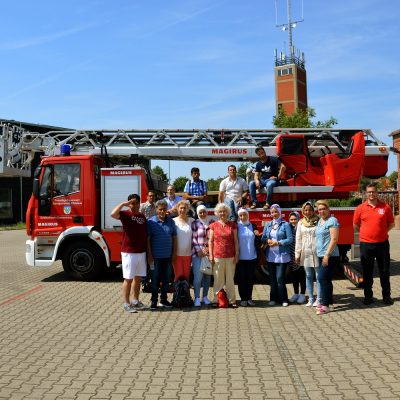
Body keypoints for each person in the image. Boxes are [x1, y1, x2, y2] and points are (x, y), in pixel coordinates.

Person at [353, 183, 395, 305]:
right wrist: (365, 233)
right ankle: (368, 296)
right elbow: (356, 225)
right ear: (366, 193)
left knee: (385, 271)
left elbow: (391, 224)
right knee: (367, 272)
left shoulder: (385, 207)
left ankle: (386, 296)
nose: (371, 194)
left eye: (373, 192)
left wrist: (382, 232)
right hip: (366, 245)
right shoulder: (360, 208)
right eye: (369, 192)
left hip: (382, 244)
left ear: (377, 193)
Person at [110, 194, 147, 313]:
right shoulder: (125, 214)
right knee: (128, 279)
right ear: (129, 204)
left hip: (141, 252)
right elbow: (112, 214)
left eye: (137, 203)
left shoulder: (142, 216)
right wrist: (123, 205)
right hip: (129, 252)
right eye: (132, 203)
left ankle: (135, 301)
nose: (135, 205)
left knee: (138, 278)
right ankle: (126, 303)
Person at [147, 199, 177, 310]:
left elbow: (174, 238)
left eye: (164, 209)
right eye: (160, 209)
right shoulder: (151, 222)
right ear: (156, 210)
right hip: (155, 258)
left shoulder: (171, 221)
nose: (162, 211)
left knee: (166, 280)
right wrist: (149, 255)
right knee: (154, 281)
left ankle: (163, 300)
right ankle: (154, 301)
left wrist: (174, 253)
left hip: (168, 257)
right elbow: (148, 239)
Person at [261, 204, 293, 307]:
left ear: (280, 212)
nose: (274, 214)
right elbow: (263, 238)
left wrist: (278, 243)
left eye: (276, 212)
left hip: (282, 255)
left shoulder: (285, 224)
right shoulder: (268, 224)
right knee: (272, 279)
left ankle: (284, 299)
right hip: (271, 255)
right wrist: (267, 240)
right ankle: (273, 299)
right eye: (272, 212)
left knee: (280, 278)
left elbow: (290, 239)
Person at [209, 203, 239, 308]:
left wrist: (237, 254)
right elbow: (210, 241)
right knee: (218, 280)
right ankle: (216, 299)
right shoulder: (213, 225)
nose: (222, 213)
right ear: (217, 213)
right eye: (220, 211)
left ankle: (232, 300)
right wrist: (211, 255)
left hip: (230, 256)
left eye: (224, 211)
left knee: (230, 280)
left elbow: (236, 241)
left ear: (228, 213)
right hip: (217, 256)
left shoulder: (233, 225)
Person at [315, 200, 340, 315]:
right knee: (327, 279)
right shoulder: (320, 221)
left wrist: (327, 255)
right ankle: (328, 301)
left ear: (328, 209)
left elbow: (334, 239)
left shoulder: (332, 220)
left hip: (330, 255)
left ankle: (325, 305)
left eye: (323, 209)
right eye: (319, 209)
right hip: (321, 254)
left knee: (321, 278)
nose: (321, 211)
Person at [295, 201, 320, 307]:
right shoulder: (300, 222)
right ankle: (310, 298)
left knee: (319, 276)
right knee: (308, 276)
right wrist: (297, 254)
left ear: (313, 210)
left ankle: (319, 298)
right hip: (305, 252)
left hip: (317, 251)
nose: (308, 212)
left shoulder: (319, 221)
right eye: (305, 210)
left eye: (310, 209)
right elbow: (298, 239)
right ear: (303, 211)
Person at [192, 205, 215, 307]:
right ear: (197, 213)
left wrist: (210, 251)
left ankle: (205, 297)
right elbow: (193, 238)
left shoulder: (212, 223)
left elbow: (215, 238)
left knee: (207, 276)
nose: (202, 214)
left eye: (204, 212)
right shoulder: (195, 223)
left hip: (209, 253)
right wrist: (199, 251)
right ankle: (197, 297)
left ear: (207, 212)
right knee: (198, 277)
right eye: (200, 212)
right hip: (198, 254)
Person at [236, 208, 259, 306]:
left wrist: (257, 236)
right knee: (241, 279)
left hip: (252, 257)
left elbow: (257, 240)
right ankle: (243, 299)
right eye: (240, 215)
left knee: (250, 279)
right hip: (240, 257)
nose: (242, 217)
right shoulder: (236, 226)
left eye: (244, 215)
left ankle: (249, 298)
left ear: (247, 215)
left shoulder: (253, 226)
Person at [249, 146, 283, 210]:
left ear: (264, 152)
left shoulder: (273, 159)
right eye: (259, 154)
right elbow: (256, 175)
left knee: (269, 184)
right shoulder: (258, 164)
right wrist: (256, 181)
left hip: (272, 180)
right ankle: (255, 203)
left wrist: (277, 177)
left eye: (262, 152)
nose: (261, 155)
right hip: (263, 180)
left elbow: (283, 167)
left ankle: (267, 203)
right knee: (251, 183)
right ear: (258, 155)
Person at [172, 200, 194, 282]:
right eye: (181, 208)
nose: (182, 210)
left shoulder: (192, 221)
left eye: (184, 208)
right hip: (177, 254)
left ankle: (186, 294)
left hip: (188, 253)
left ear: (188, 209)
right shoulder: (173, 221)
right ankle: (177, 294)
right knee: (178, 276)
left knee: (186, 276)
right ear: (177, 209)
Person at [288, 211, 306, 304]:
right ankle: (295, 293)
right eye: (291, 219)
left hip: (301, 254)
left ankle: (302, 294)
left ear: (298, 219)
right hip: (291, 255)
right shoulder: (288, 228)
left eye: (295, 219)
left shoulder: (302, 227)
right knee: (294, 275)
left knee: (301, 275)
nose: (293, 221)